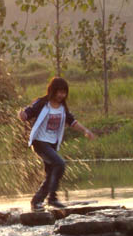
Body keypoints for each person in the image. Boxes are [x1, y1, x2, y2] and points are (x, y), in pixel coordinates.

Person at [18, 77, 95, 212]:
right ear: (52, 91)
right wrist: (22, 114)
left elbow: (72, 121)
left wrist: (85, 131)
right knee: (59, 164)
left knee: (51, 173)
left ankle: (37, 201)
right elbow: (28, 113)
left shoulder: (63, 107)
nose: (61, 95)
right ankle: (51, 198)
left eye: (64, 92)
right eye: (59, 92)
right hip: (39, 142)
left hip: (52, 144)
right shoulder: (42, 103)